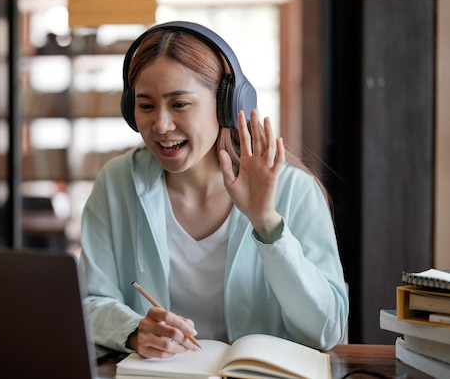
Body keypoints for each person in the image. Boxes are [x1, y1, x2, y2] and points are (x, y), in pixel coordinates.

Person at [79, 21, 349, 359]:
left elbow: (327, 330)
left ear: (226, 106)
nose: (160, 125)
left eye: (179, 104)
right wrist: (132, 330)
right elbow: (88, 301)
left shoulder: (295, 189)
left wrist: (267, 224)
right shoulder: (117, 181)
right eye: (146, 106)